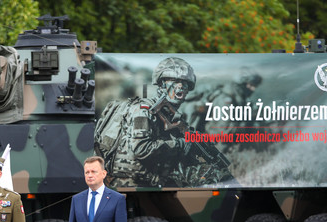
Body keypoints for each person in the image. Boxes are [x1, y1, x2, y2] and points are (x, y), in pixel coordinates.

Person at [95, 57, 232, 187]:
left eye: (185, 83)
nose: (180, 87)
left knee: (213, 176)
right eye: (174, 81)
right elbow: (141, 149)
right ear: (161, 84)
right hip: (130, 183)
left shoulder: (171, 116)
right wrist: (180, 144)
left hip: (152, 181)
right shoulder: (143, 110)